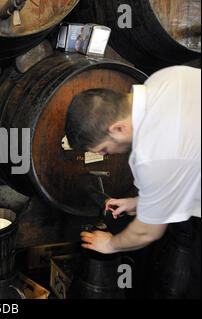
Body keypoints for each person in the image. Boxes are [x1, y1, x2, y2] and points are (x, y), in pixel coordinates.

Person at [64, 65, 201, 298]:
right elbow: (183, 163)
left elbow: (147, 233)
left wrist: (110, 244)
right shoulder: (166, 77)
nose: (106, 156)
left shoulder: (151, 153)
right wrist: (140, 202)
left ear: (118, 128)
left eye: (104, 150)